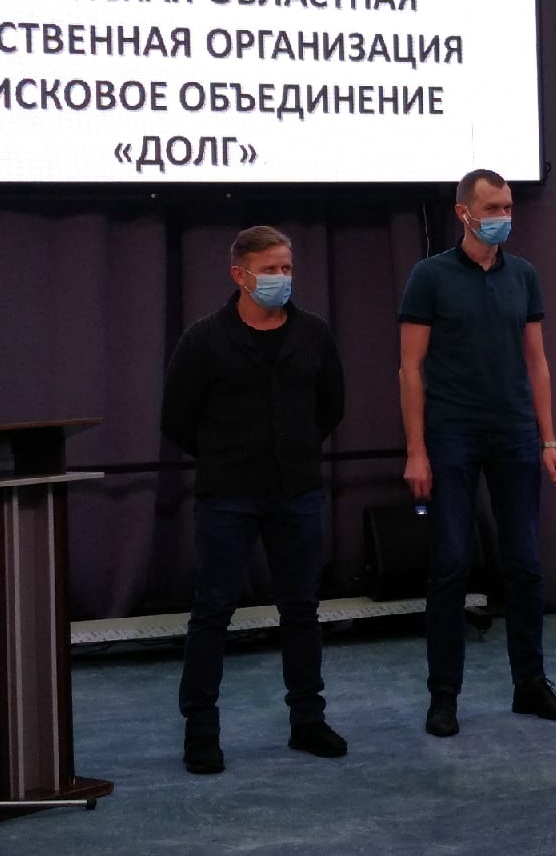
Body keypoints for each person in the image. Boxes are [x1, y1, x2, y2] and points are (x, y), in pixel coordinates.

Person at [161, 225, 348, 775]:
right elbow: (176, 419)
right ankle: (201, 730)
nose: (281, 278)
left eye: (287, 268)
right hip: (228, 495)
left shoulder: (313, 333)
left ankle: (308, 719)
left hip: (297, 492)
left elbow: (331, 406)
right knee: (213, 611)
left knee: (301, 608)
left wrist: (294, 449)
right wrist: (227, 456)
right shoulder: (203, 340)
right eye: (270, 269)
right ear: (239, 275)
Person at [399, 169, 556, 738]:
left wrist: (549, 440)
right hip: (451, 434)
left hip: (515, 434)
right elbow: (410, 368)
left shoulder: (523, 275)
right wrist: (416, 451)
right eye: (493, 207)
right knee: (451, 564)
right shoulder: (429, 276)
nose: (503, 216)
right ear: (464, 213)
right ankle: (443, 696)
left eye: (508, 207)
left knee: (525, 564)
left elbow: (537, 362)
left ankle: (531, 683)